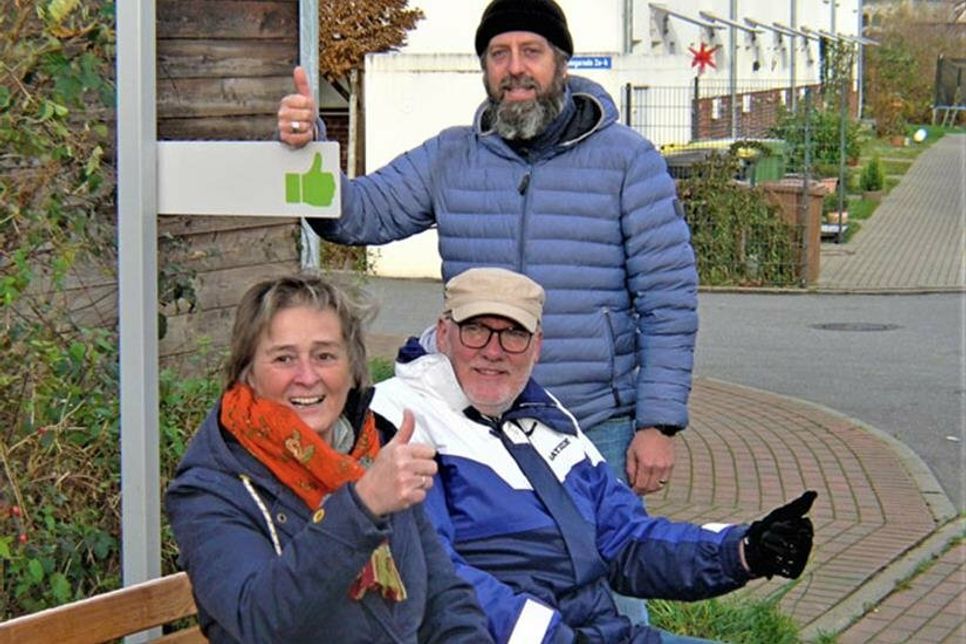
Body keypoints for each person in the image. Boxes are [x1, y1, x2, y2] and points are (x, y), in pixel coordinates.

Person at [277, 0, 696, 499]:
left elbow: (668, 300)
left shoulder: (628, 161)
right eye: (499, 54)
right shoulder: (451, 156)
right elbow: (355, 215)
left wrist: (657, 424)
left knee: (606, 549)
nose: (515, 67)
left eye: (531, 51)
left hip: (593, 423)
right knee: (478, 552)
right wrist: (311, 149)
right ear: (485, 69)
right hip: (475, 426)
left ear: (561, 63)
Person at [370, 267, 817, 644]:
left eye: (514, 334)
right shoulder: (400, 420)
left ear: (537, 345)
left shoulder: (543, 414)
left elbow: (625, 539)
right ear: (444, 332)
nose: (493, 350)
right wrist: (554, 638)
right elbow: (433, 575)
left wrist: (742, 549)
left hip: (601, 632)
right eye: (475, 329)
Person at [164, 274, 493, 643]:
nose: (307, 377)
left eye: (324, 356)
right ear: (248, 374)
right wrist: (361, 506)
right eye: (284, 358)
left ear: (352, 368)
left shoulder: (374, 451)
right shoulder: (209, 490)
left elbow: (443, 598)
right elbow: (258, 622)